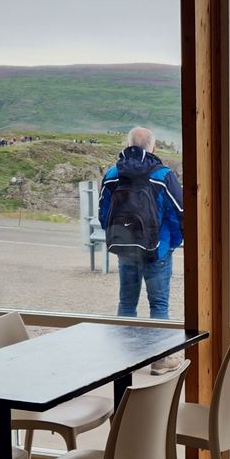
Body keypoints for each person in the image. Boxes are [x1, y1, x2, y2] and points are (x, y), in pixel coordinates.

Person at [100, 127, 184, 374]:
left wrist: (121, 239)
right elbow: (180, 213)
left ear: (128, 145)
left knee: (126, 303)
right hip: (157, 250)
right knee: (159, 304)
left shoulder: (113, 174)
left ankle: (123, 360)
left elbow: (104, 214)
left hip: (126, 250)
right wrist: (172, 243)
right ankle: (161, 360)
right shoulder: (163, 175)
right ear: (153, 147)